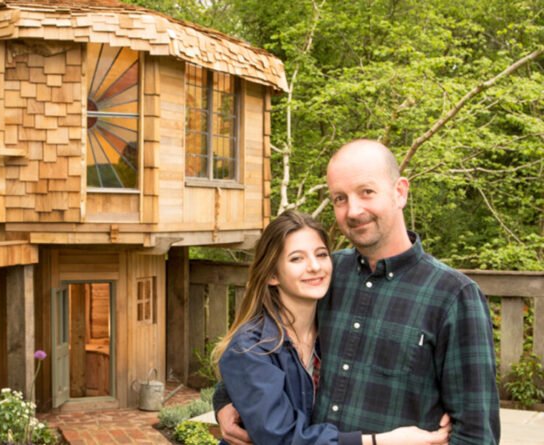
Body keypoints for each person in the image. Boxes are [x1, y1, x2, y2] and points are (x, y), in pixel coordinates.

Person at [214, 140, 500, 445]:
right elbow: (262, 354)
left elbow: (475, 434)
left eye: (367, 192)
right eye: (340, 198)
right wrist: (224, 403)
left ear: (399, 192)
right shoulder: (326, 276)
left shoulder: (453, 296)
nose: (353, 210)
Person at [214, 210, 450, 445]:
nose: (315, 266)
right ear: (272, 275)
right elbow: (283, 438)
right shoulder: (252, 346)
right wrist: (384, 441)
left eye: (321, 254)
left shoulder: (332, 329)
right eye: (297, 258)